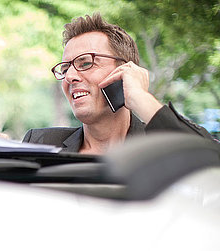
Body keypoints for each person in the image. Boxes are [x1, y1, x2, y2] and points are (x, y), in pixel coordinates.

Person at [19, 13, 213, 154]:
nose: (70, 76)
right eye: (65, 68)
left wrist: (140, 97)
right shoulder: (40, 143)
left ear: (125, 72)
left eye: (85, 63)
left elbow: (210, 159)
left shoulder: (163, 145)